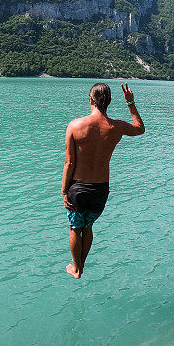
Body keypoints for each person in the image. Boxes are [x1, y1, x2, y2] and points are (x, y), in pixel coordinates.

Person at [61, 82, 145, 279]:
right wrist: (130, 102)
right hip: (100, 189)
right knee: (88, 227)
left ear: (91, 100)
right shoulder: (116, 127)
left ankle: (76, 268)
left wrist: (64, 191)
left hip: (77, 188)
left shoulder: (75, 126)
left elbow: (69, 162)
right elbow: (140, 128)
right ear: (109, 102)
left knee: (75, 228)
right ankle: (82, 266)